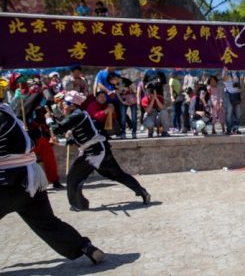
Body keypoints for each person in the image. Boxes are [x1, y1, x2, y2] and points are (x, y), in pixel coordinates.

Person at [0, 104, 105, 264]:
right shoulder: (7, 112)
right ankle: (84, 247)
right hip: (32, 181)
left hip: (7, 183)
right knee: (48, 223)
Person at [45, 91, 150, 211]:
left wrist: (49, 119)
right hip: (97, 150)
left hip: (93, 152)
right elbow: (78, 139)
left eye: (65, 103)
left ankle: (79, 205)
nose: (63, 105)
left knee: (73, 178)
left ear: (73, 105)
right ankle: (142, 191)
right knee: (115, 174)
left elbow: (57, 129)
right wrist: (60, 142)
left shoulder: (77, 116)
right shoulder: (76, 116)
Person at [222, 68, 243, 135]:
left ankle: (236, 128)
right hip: (229, 93)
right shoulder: (226, 68)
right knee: (229, 113)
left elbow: (241, 81)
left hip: (237, 93)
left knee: (239, 113)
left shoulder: (238, 70)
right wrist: (226, 71)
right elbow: (224, 79)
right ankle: (229, 129)